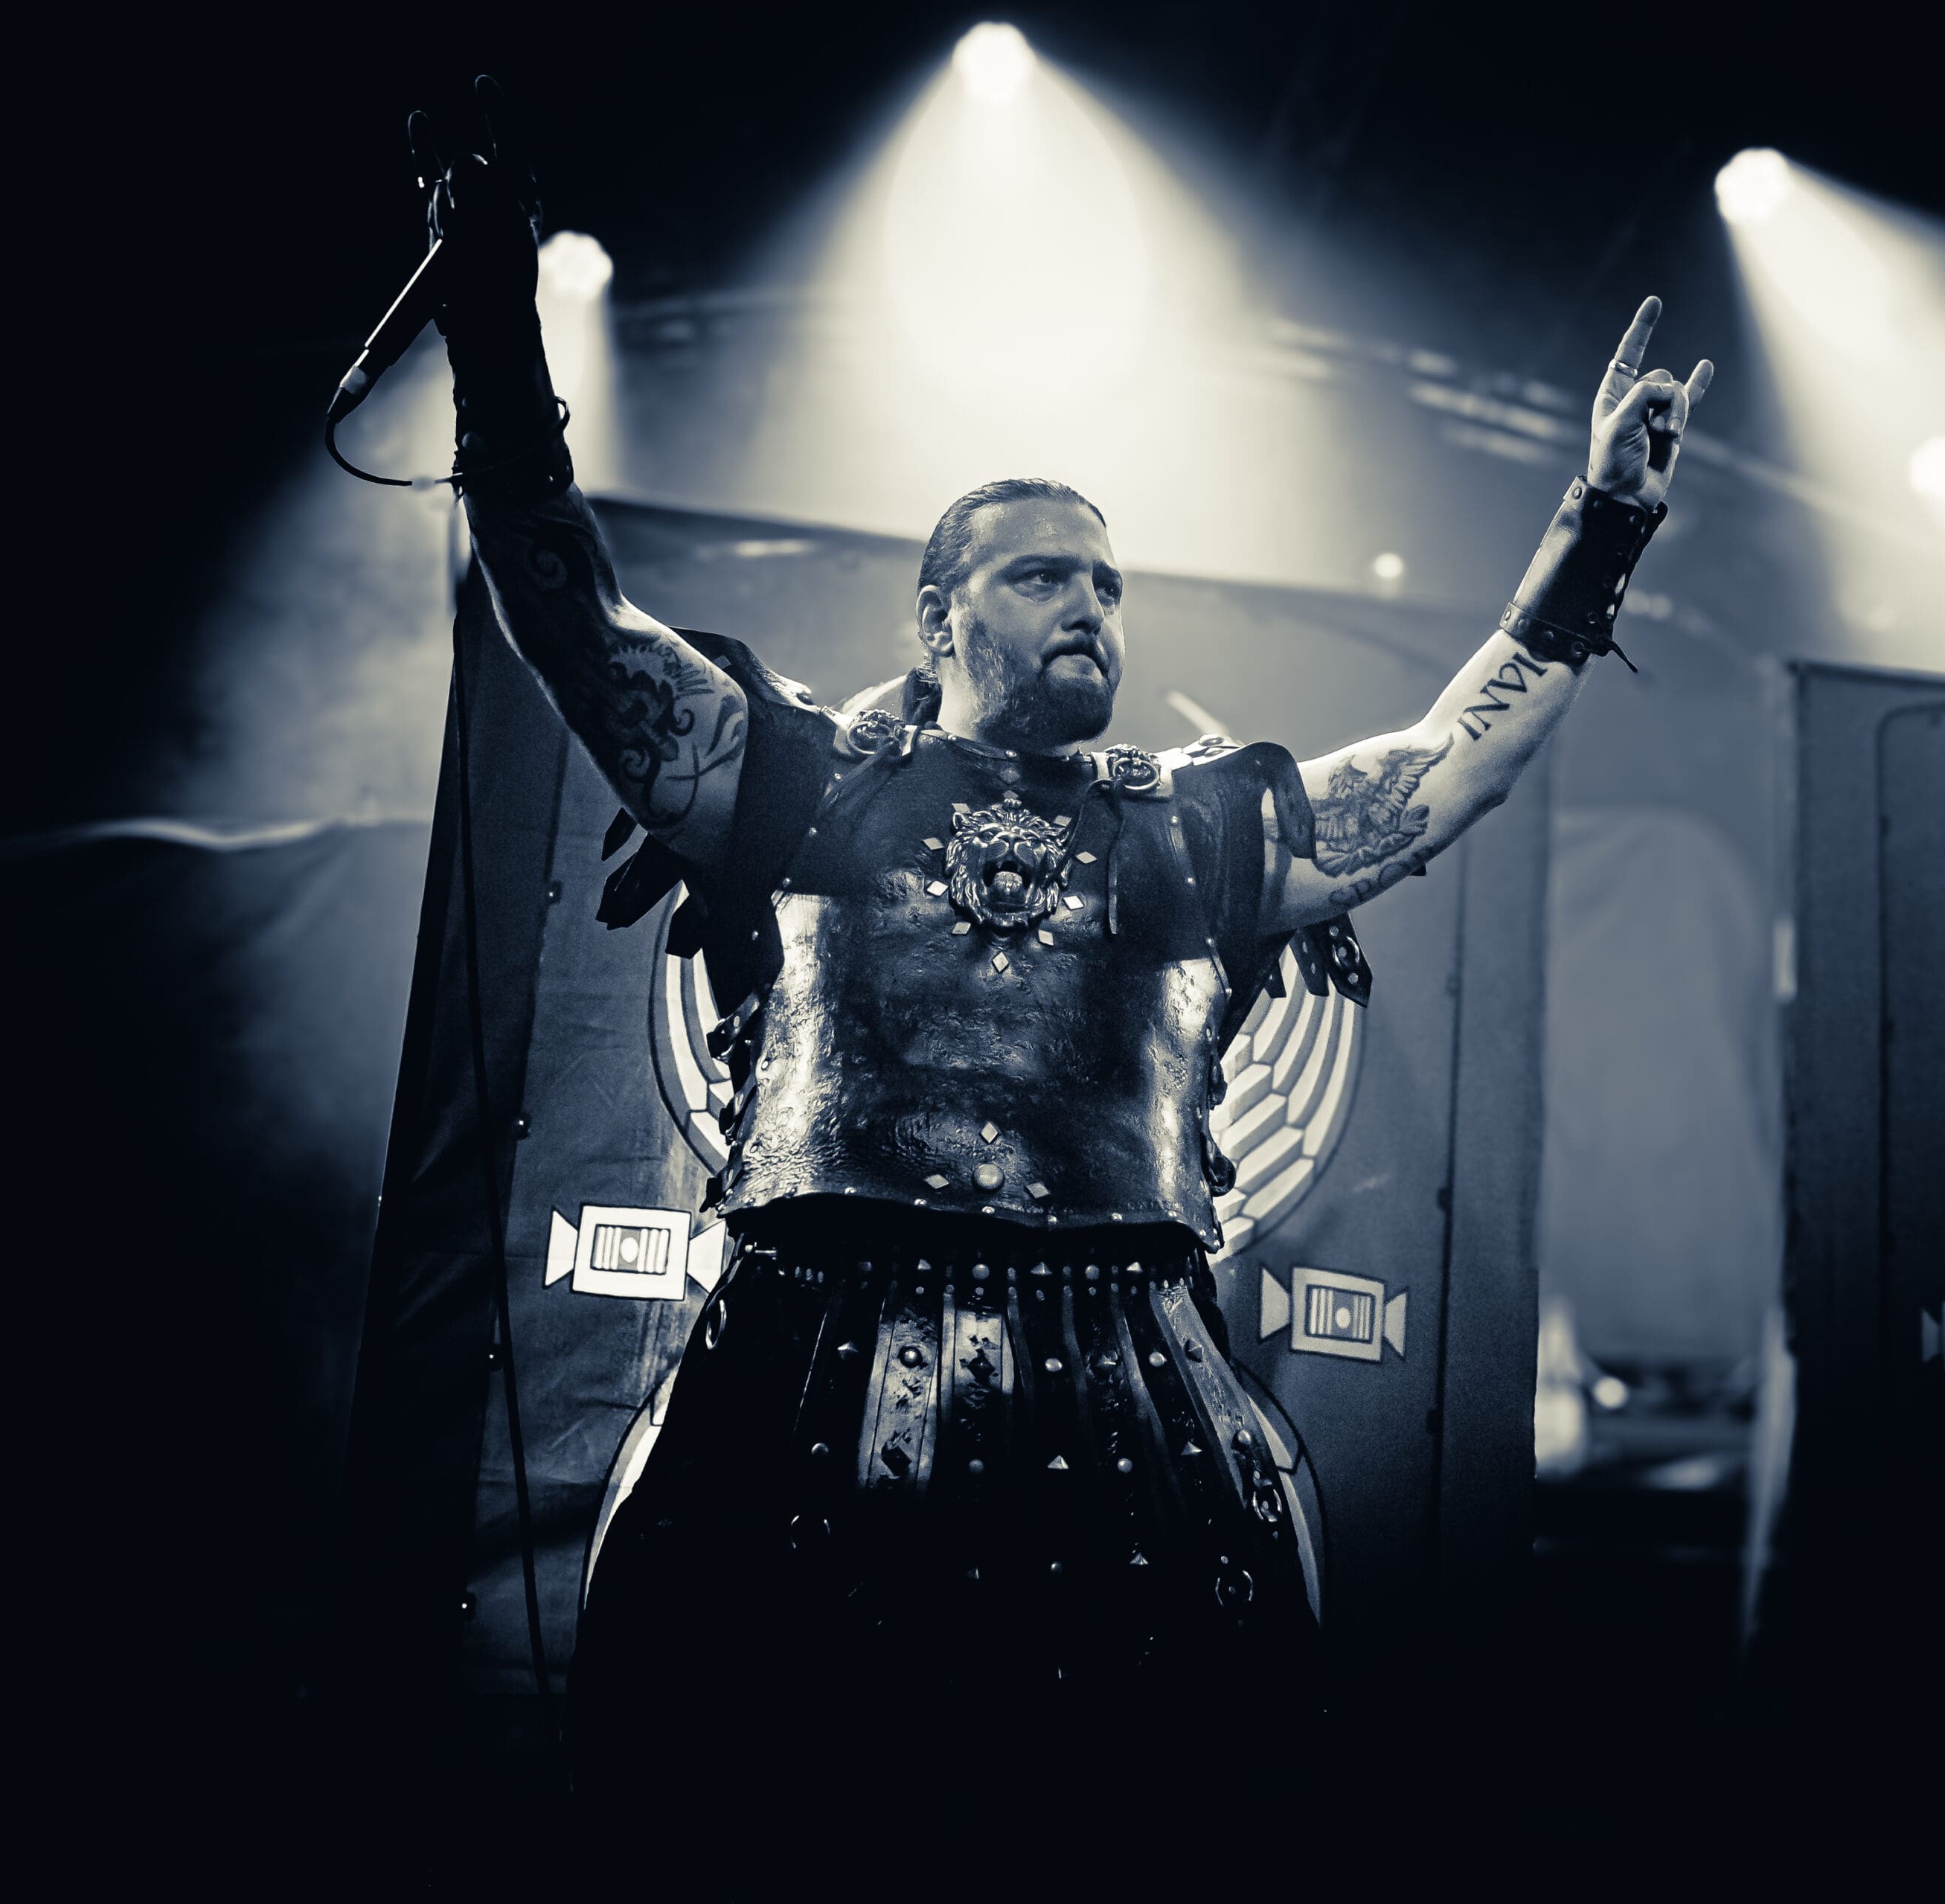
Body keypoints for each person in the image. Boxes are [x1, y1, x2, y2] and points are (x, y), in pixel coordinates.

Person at [416, 80, 1714, 1784]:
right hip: (804, 1380)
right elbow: (574, 620)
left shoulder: (1199, 829)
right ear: (939, 615)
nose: (1090, 604)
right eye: (1042, 576)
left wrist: (1601, 526)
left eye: (1105, 582)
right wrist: (495, 329)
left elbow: (1446, 765)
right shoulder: (794, 780)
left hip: (1136, 1414)